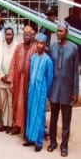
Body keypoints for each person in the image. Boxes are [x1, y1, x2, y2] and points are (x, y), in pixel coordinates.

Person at [47, 21, 79, 157]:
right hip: (54, 88)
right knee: (53, 118)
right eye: (57, 31)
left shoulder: (74, 48)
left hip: (67, 90)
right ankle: (53, 142)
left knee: (66, 120)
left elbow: (76, 72)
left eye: (61, 31)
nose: (58, 33)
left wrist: (75, 92)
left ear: (67, 32)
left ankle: (64, 146)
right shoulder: (53, 47)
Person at [24, 33, 53, 152]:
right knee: (31, 113)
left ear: (45, 45)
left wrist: (46, 92)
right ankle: (31, 138)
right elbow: (31, 74)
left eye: (41, 43)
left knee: (40, 116)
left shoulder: (48, 60)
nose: (39, 45)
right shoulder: (33, 57)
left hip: (41, 92)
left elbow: (50, 78)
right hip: (32, 90)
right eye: (37, 43)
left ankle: (39, 142)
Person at [7, 25, 37, 135]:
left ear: (32, 36)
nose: (26, 37)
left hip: (29, 82)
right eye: (25, 35)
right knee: (16, 103)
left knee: (27, 104)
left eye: (29, 35)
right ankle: (17, 126)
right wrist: (10, 80)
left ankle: (26, 128)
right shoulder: (18, 47)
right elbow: (13, 63)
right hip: (18, 80)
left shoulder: (35, 48)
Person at [0, 27, 18, 133]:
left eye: (10, 34)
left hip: (11, 80)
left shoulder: (16, 46)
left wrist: (10, 77)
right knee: (3, 103)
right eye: (6, 34)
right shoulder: (1, 45)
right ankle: (5, 124)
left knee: (11, 103)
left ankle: (11, 124)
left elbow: (15, 64)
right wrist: (2, 74)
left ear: (13, 35)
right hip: (2, 78)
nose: (8, 37)